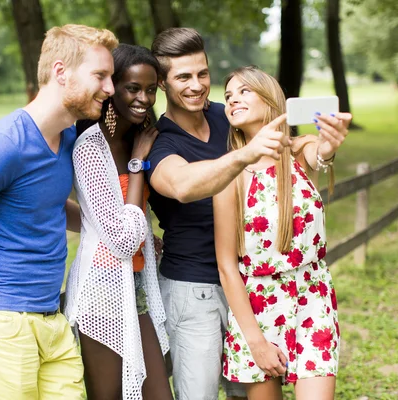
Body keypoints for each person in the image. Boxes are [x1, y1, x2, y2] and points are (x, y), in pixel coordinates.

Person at [0, 24, 118, 399]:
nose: (109, 88)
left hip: (53, 323)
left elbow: (46, 206)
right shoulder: (6, 143)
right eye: (100, 75)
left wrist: (118, 231)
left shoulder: (68, 139)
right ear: (61, 73)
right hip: (1, 324)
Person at [146, 27, 293, 400]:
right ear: (162, 83)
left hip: (252, 284)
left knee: (251, 393)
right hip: (194, 289)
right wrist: (243, 155)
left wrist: (322, 145)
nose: (197, 85)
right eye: (183, 77)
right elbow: (182, 184)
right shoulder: (161, 142)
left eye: (202, 73)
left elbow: (286, 144)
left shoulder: (228, 115)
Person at [214, 65, 352, 400]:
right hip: (258, 307)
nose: (233, 100)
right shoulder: (229, 174)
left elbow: (320, 155)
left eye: (244, 91)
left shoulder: (298, 151)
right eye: (228, 96)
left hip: (312, 295)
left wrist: (330, 144)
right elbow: (227, 267)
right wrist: (256, 342)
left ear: (270, 97)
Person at [65, 43, 172, 400]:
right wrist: (137, 164)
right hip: (102, 290)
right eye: (133, 88)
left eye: (151, 89)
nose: (144, 98)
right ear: (112, 89)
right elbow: (123, 240)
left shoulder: (139, 138)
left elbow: (134, 223)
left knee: (158, 393)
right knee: (108, 395)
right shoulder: (91, 148)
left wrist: (149, 238)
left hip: (140, 283)